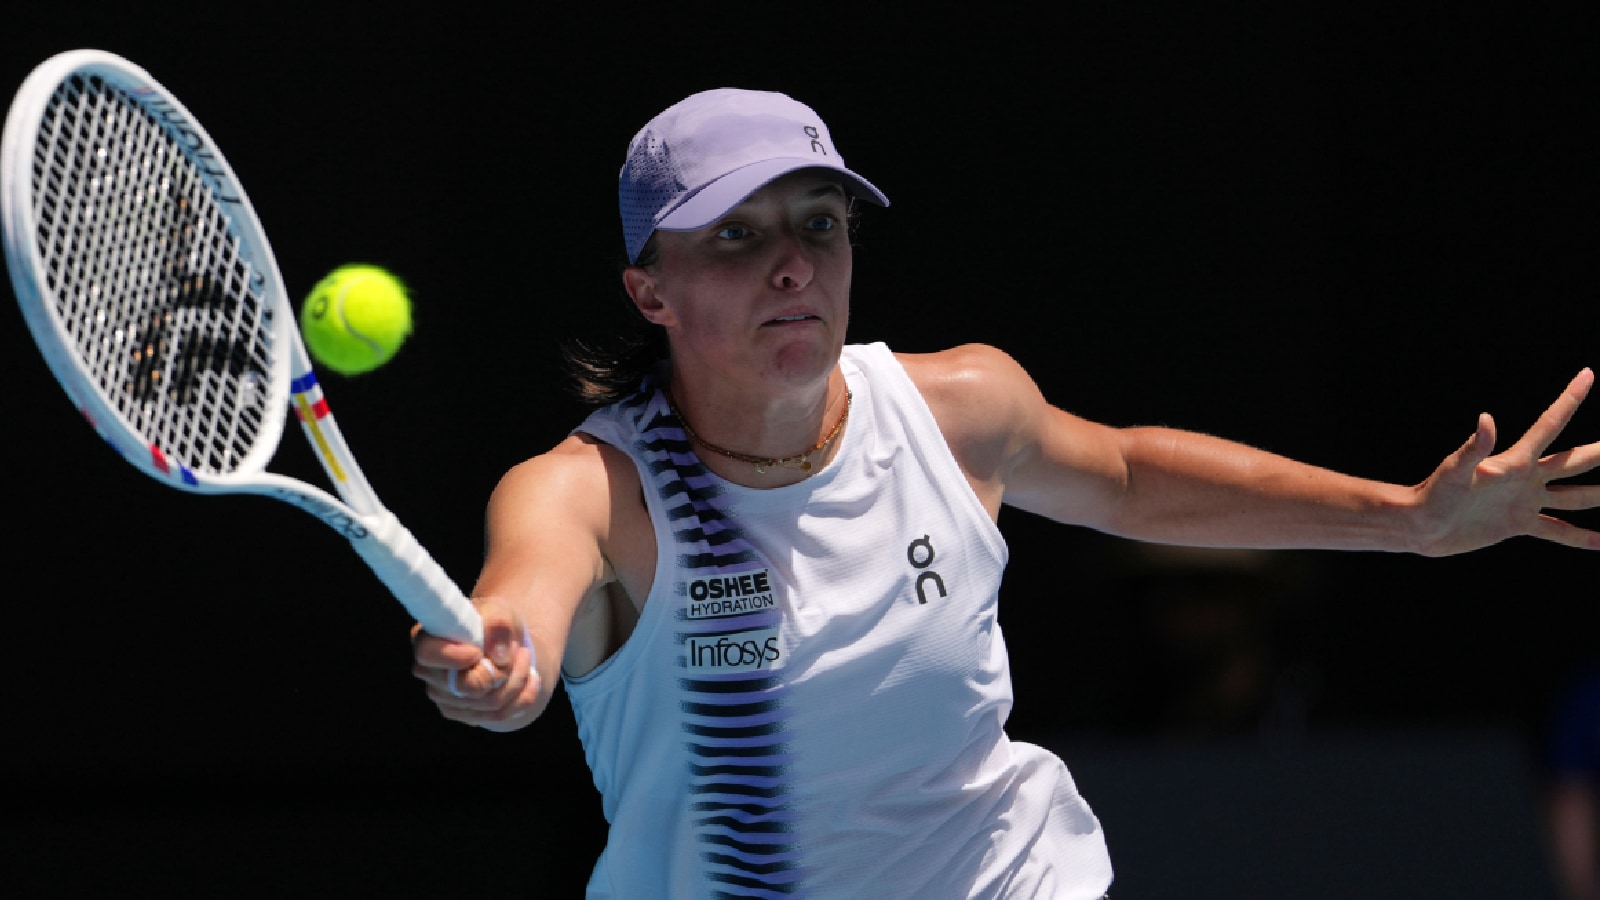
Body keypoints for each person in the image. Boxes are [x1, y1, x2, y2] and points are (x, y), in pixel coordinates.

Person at [410, 87, 1600, 899]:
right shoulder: (589, 491)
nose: (792, 263)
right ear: (648, 293)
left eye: (818, 225)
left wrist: (1406, 519)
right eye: (733, 236)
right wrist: (500, 662)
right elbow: (523, 595)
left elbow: (1131, 475)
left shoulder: (958, 407)